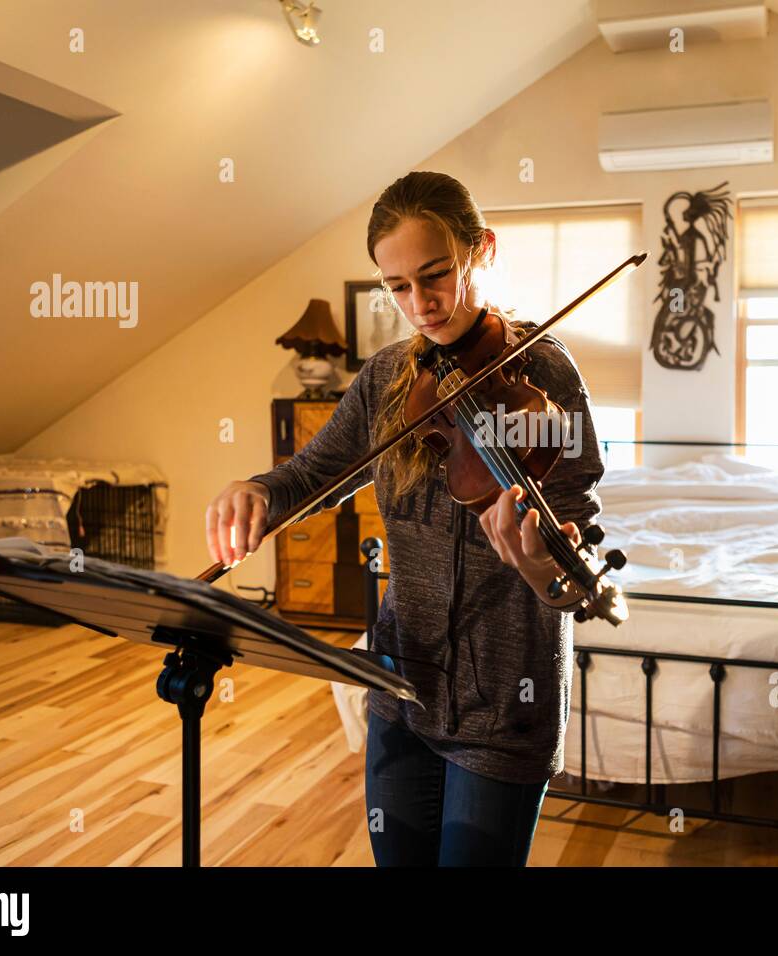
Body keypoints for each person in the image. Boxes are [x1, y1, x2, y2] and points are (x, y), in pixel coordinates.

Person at [204, 170, 605, 866]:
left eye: (435, 275)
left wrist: (545, 568)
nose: (418, 304)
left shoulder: (544, 372)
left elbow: (579, 550)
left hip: (503, 700)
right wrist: (259, 492)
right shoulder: (388, 376)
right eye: (396, 286)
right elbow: (312, 474)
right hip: (398, 684)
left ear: (482, 249)